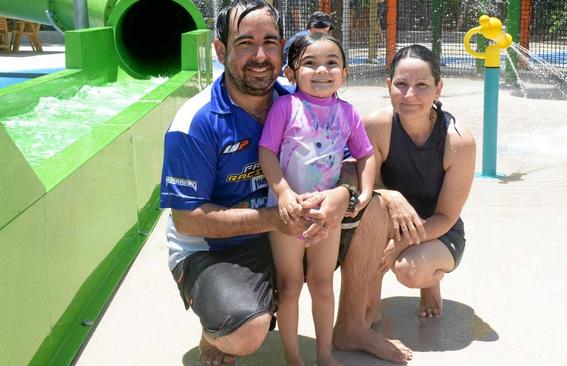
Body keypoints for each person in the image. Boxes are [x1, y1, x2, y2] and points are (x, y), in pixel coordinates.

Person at [159, 0, 411, 364]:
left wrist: (347, 193)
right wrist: (278, 216)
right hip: (215, 248)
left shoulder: (297, 97)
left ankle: (352, 325)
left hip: (286, 225)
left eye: (270, 42)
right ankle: (221, 321)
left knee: (375, 210)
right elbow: (188, 219)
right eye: (245, 43)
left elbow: (347, 158)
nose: (260, 55)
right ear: (220, 49)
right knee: (246, 332)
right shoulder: (196, 123)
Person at [259, 33, 375, 366]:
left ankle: (324, 353)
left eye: (331, 63)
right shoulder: (286, 107)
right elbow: (266, 151)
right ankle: (292, 356)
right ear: (291, 73)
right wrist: (283, 193)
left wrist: (364, 193)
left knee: (323, 283)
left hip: (326, 214)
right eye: (309, 63)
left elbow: (366, 155)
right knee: (290, 283)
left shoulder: (348, 113)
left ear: (345, 72)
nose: (321, 70)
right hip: (288, 212)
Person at [363, 44, 476, 320]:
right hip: (389, 219)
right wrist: (391, 197)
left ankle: (430, 282)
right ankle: (367, 310)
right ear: (389, 85)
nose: (410, 94)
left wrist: (399, 246)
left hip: (437, 229)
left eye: (422, 85)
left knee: (409, 270)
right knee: (366, 225)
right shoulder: (377, 126)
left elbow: (447, 216)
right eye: (401, 84)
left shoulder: (458, 141)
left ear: (438, 89)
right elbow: (366, 191)